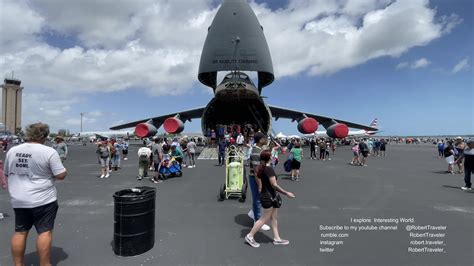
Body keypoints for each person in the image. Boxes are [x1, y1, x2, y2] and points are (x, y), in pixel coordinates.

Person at [3, 123, 67, 266]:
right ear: (44, 135)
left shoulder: (13, 151)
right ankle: (44, 264)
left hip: (19, 199)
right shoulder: (48, 151)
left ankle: (18, 264)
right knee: (44, 232)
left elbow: (7, 172)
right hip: (43, 199)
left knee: (20, 232)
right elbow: (61, 175)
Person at [245, 150, 295, 248]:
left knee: (273, 217)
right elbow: (274, 185)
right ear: (269, 158)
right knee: (265, 218)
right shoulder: (269, 169)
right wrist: (286, 193)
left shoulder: (260, 168)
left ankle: (277, 238)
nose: (272, 157)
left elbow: (261, 182)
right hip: (269, 197)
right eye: (271, 155)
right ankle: (250, 236)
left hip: (268, 195)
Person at [247, 132, 271, 231]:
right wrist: (260, 185)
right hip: (256, 177)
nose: (266, 139)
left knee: (257, 199)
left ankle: (253, 212)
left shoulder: (259, 150)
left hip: (257, 177)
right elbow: (257, 172)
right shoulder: (256, 152)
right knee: (258, 199)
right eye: (265, 138)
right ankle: (257, 220)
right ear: (260, 140)